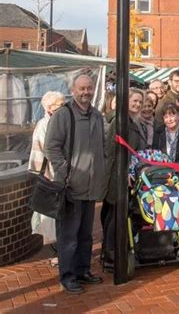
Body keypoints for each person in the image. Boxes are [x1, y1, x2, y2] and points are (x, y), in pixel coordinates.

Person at [44, 74, 106, 294]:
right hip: (70, 188)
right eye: (82, 89)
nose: (86, 92)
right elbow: (51, 147)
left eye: (89, 88)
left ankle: (82, 270)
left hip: (91, 187)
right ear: (73, 90)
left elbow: (103, 148)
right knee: (68, 236)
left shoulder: (98, 116)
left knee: (86, 235)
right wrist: (65, 173)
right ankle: (67, 276)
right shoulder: (63, 115)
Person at [103, 88, 146, 269]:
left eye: (139, 102)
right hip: (117, 175)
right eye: (134, 101)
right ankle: (111, 253)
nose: (137, 104)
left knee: (116, 214)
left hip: (127, 175)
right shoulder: (120, 121)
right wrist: (123, 173)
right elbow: (112, 150)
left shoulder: (133, 121)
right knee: (114, 215)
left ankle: (111, 251)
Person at [28, 91, 66, 263]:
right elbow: (46, 151)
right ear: (50, 108)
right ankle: (57, 252)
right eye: (60, 105)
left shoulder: (61, 122)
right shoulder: (44, 125)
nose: (63, 107)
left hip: (62, 175)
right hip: (52, 176)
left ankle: (60, 250)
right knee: (52, 214)